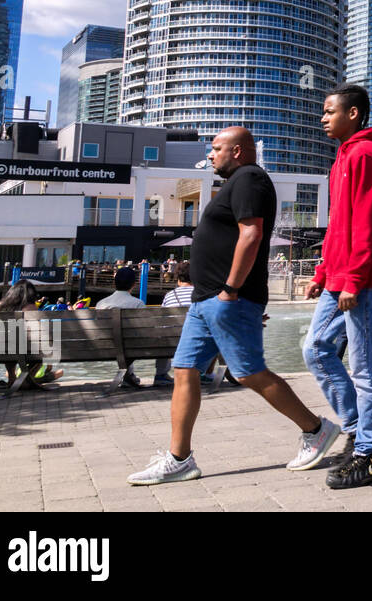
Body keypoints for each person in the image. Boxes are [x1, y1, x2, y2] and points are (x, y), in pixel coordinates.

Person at [127, 126, 339, 486]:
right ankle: (180, 459)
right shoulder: (236, 182)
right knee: (184, 370)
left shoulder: (249, 178)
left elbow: (252, 233)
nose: (210, 155)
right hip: (205, 300)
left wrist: (230, 289)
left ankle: (316, 429)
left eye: (216, 149)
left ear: (238, 151)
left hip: (227, 298)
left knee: (248, 372)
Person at [301, 84, 372, 489]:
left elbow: (367, 225)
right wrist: (323, 272)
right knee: (315, 348)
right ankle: (357, 429)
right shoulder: (342, 157)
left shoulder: (366, 156)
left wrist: (353, 280)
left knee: (364, 365)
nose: (323, 118)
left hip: (364, 282)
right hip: (339, 279)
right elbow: (339, 224)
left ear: (353, 114)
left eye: (329, 112)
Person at [97, 268, 146, 388]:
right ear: (134, 284)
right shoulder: (138, 304)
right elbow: (143, 330)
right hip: (132, 347)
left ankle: (128, 375)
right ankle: (129, 375)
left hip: (104, 346)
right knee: (129, 341)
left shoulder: (101, 303)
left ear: (114, 283)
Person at [154, 261, 195, 386]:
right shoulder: (199, 294)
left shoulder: (169, 295)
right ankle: (203, 373)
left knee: (164, 333)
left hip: (170, 341)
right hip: (193, 339)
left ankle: (161, 374)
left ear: (178, 279)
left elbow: (161, 321)